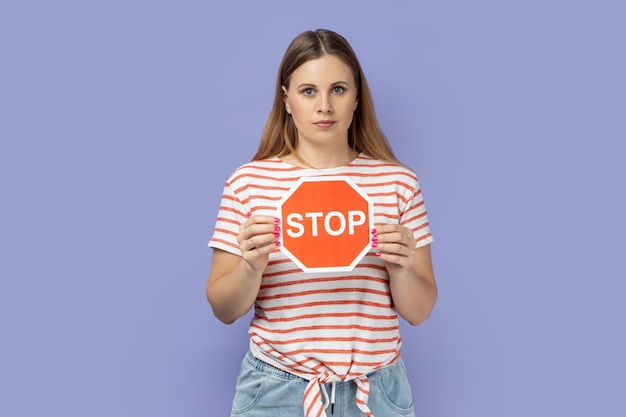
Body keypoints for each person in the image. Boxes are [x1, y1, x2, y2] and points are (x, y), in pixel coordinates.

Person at [207, 28, 437, 417]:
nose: (324, 106)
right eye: (308, 91)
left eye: (339, 89)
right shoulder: (247, 184)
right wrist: (250, 268)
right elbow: (223, 309)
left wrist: (401, 268)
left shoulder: (398, 183)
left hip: (377, 392)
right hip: (276, 391)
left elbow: (419, 310)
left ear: (357, 98)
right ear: (287, 100)